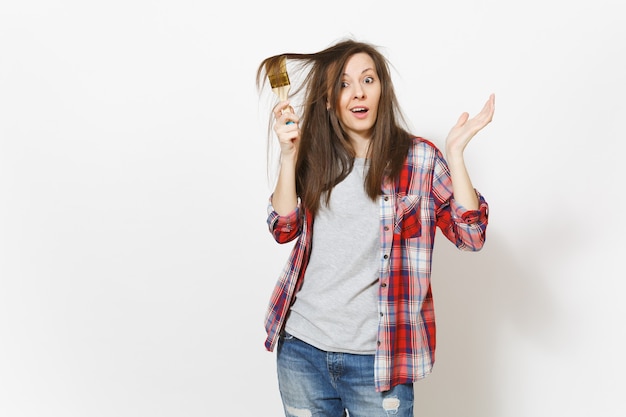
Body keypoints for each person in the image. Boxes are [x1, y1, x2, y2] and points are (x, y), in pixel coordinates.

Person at [256, 39, 494, 417]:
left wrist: (455, 156)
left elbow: (472, 236)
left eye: (368, 79)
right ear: (330, 100)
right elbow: (283, 229)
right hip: (302, 350)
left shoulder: (418, 159)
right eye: (344, 84)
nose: (358, 92)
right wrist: (288, 156)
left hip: (378, 362)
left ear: (382, 89)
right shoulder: (315, 155)